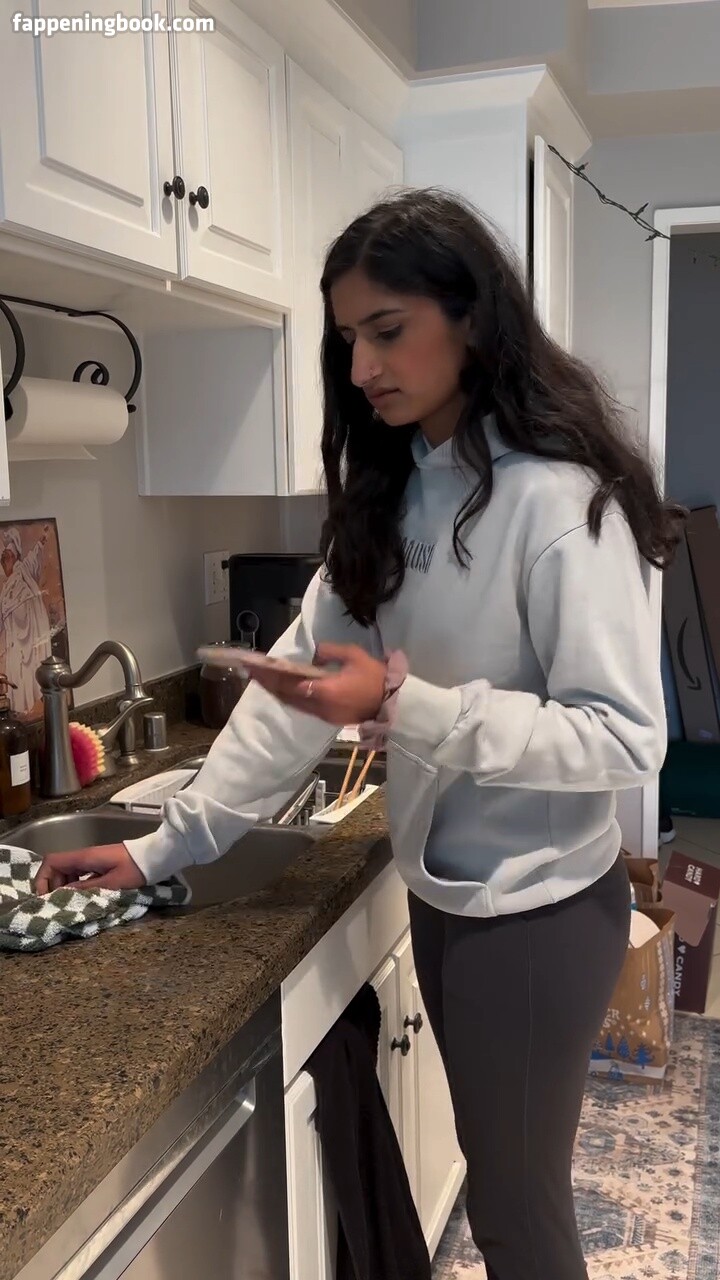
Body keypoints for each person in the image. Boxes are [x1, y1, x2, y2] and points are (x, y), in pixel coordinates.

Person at [34, 189, 683, 1280]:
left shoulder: (561, 502)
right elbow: (296, 693)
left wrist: (409, 707)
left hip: (536, 912)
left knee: (519, 1218)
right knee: (507, 1196)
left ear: (471, 317)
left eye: (388, 330)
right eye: (347, 339)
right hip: (444, 897)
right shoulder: (392, 490)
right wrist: (160, 847)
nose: (363, 366)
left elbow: (623, 740)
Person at [0, 523, 52, 715]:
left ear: (14, 557)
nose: (3, 562)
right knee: (17, 673)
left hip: (31, 636)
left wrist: (42, 539)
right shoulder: (6, 588)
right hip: (14, 641)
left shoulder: (23, 570)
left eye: (6, 557)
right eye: (2, 559)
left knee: (30, 672)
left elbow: (33, 556)